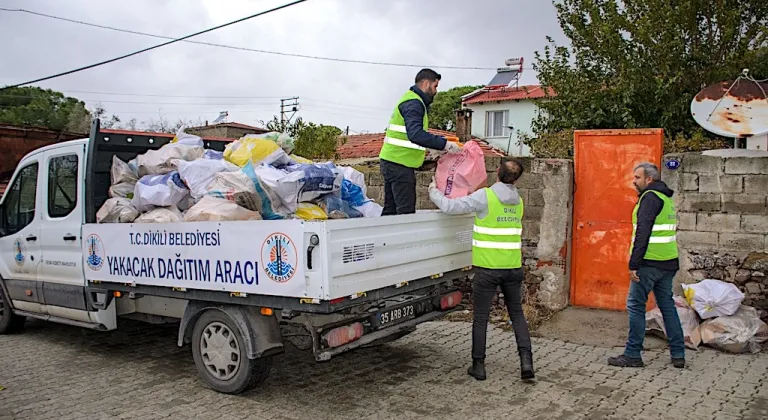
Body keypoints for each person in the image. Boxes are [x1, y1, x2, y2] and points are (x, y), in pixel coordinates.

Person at [429, 157, 534, 381]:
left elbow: (450, 207)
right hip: (513, 267)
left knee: (481, 318)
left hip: (487, 268)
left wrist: (433, 190)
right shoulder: (519, 201)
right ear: (517, 179)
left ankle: (479, 366)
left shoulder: (485, 196)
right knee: (517, 314)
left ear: (497, 172)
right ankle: (526, 362)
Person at [608, 162, 686, 369]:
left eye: (637, 177)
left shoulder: (649, 198)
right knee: (667, 306)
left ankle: (633, 354)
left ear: (649, 179)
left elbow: (643, 232)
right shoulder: (665, 198)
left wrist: (634, 264)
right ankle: (678, 354)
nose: (634, 181)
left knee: (635, 305)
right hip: (668, 261)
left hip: (649, 262)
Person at [379, 68, 462, 215]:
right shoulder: (414, 103)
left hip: (392, 160)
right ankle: (401, 238)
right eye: (435, 86)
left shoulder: (410, 99)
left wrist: (431, 150)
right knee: (405, 212)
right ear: (425, 84)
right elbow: (416, 134)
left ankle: (384, 238)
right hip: (399, 164)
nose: (436, 91)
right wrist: (445, 145)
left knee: (391, 210)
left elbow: (410, 136)